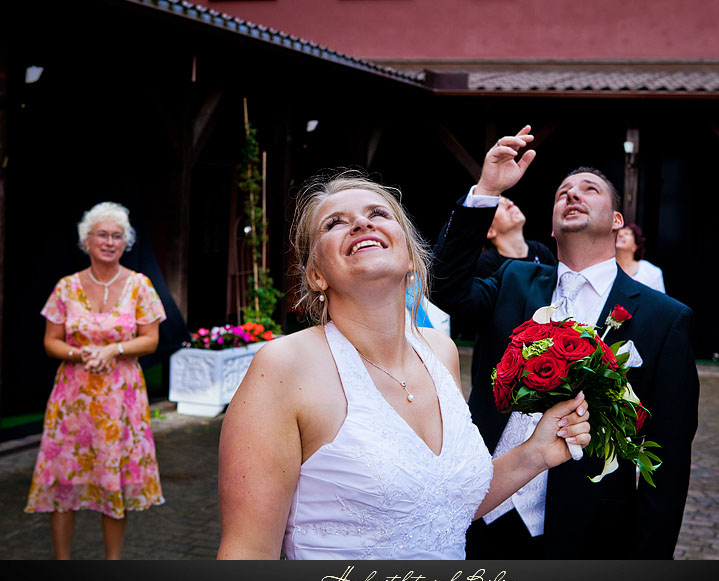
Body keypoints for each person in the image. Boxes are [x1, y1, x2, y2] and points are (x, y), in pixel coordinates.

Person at [216, 171, 591, 560]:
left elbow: (443, 509)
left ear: (411, 257)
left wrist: (536, 453)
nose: (361, 223)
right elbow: (247, 552)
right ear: (316, 275)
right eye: (335, 223)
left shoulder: (440, 352)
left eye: (378, 213)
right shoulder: (283, 367)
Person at [432, 125, 699, 559]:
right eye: (562, 193)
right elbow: (443, 287)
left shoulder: (664, 320)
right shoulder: (513, 280)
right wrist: (486, 190)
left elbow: (667, 464)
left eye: (589, 189)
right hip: (478, 512)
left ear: (617, 222)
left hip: (584, 532)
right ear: (552, 227)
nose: (572, 195)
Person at [25, 202, 166, 560]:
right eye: (102, 234)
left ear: (126, 242)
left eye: (117, 236)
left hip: (121, 398)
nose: (109, 241)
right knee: (63, 479)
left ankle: (112, 565)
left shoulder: (139, 285)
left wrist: (114, 350)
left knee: (112, 477)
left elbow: (150, 339)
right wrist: (79, 353)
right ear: (86, 240)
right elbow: (50, 341)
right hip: (73, 398)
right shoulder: (66, 287)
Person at [476, 195, 557, 278]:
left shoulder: (540, 250)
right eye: (497, 205)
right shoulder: (486, 263)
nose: (510, 204)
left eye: (508, 200)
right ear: (489, 231)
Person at [615, 223, 666, 293]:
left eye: (626, 233)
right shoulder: (605, 266)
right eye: (618, 233)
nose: (620, 235)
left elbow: (659, 302)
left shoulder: (652, 272)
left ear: (636, 246)